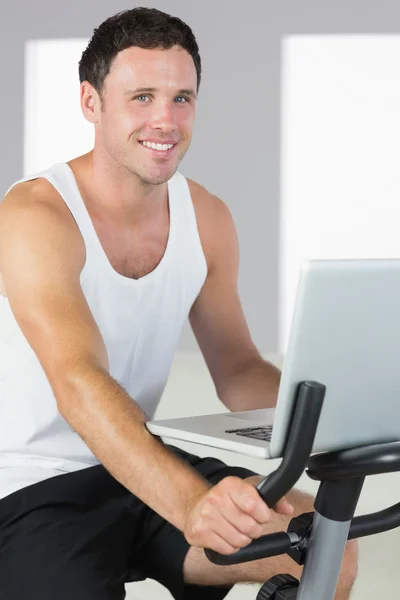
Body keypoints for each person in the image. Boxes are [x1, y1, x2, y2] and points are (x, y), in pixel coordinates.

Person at [0, 7, 358, 600]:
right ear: (92, 102)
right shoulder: (35, 215)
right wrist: (191, 502)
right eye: (141, 97)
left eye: (182, 98)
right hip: (30, 486)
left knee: (326, 548)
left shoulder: (208, 217)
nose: (165, 120)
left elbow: (239, 371)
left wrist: (344, 422)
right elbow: (78, 383)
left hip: (135, 465)